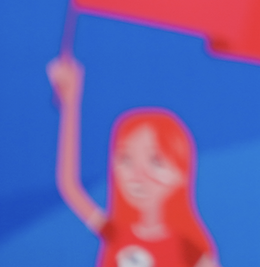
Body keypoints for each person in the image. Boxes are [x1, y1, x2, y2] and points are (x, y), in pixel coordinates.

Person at [46, 55, 221, 267]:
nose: (137, 175)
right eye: (125, 159)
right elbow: (69, 185)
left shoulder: (189, 248)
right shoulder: (117, 232)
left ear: (181, 173)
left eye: (156, 161)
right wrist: (70, 103)